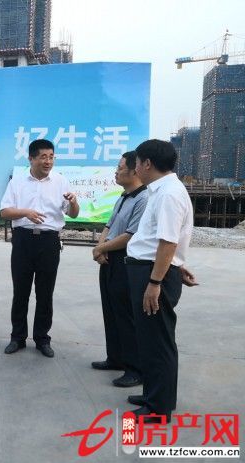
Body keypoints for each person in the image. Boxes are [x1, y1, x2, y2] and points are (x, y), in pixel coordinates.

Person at [124, 139, 197, 423]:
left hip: (152, 275)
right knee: (150, 339)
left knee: (158, 342)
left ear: (147, 164)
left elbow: (168, 241)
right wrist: (177, 266)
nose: (134, 168)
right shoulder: (162, 190)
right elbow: (165, 240)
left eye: (136, 163)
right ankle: (153, 394)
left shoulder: (168, 194)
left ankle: (158, 408)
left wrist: (156, 282)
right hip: (153, 271)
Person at [0, 139, 79, 358]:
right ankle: (17, 338)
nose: (48, 161)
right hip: (23, 241)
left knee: (45, 293)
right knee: (21, 291)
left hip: (49, 242)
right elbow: (5, 212)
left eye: (51, 157)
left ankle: (42, 339)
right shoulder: (18, 182)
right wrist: (25, 212)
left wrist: (74, 202)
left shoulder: (60, 181)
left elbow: (73, 214)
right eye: (43, 157)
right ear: (31, 158)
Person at [91, 151, 147, 388]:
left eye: (120, 167)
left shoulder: (144, 199)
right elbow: (109, 225)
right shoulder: (123, 197)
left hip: (125, 260)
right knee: (111, 311)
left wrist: (101, 248)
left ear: (135, 171)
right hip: (108, 259)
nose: (116, 171)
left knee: (126, 316)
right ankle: (115, 358)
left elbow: (130, 236)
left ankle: (134, 369)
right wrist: (100, 248)